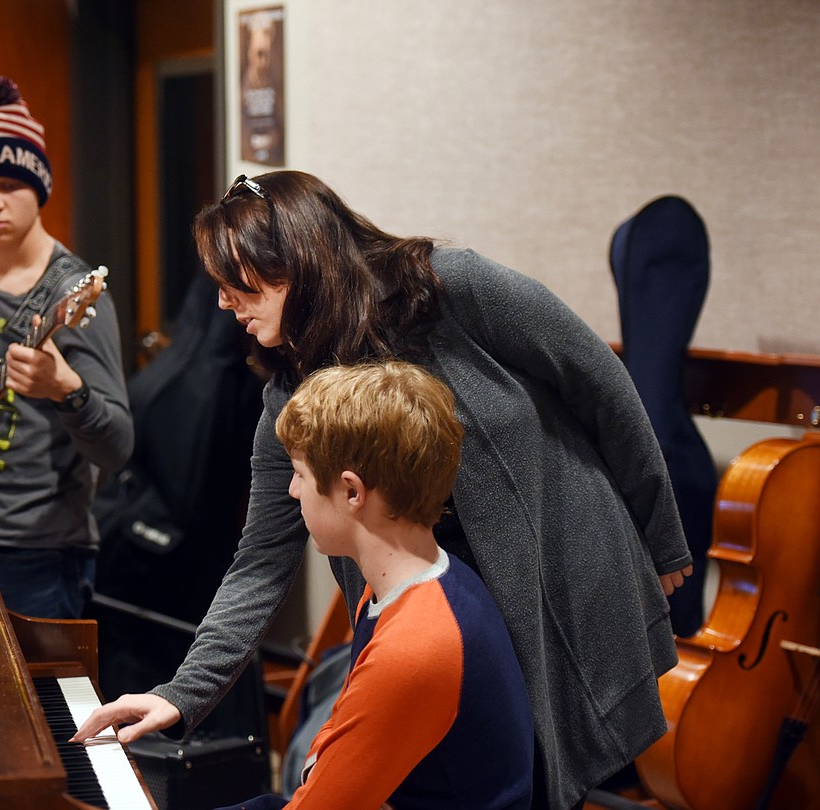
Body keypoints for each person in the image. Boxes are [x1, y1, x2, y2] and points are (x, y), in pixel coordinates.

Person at [73, 170, 694, 810]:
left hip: (557, 566)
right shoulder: (292, 389)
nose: (225, 304)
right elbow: (259, 559)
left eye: (239, 284)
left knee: (551, 771)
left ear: (295, 262)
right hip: (439, 594)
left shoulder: (454, 286)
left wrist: (663, 533)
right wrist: (182, 693)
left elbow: (602, 384)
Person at [227, 360, 535, 809]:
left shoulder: (415, 644)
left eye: (300, 475)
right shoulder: (416, 582)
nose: (293, 492)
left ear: (352, 492)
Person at [0, 75, 133, 619]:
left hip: (40, 550)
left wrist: (67, 391)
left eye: (10, 185)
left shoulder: (76, 293)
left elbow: (117, 446)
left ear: (38, 186)